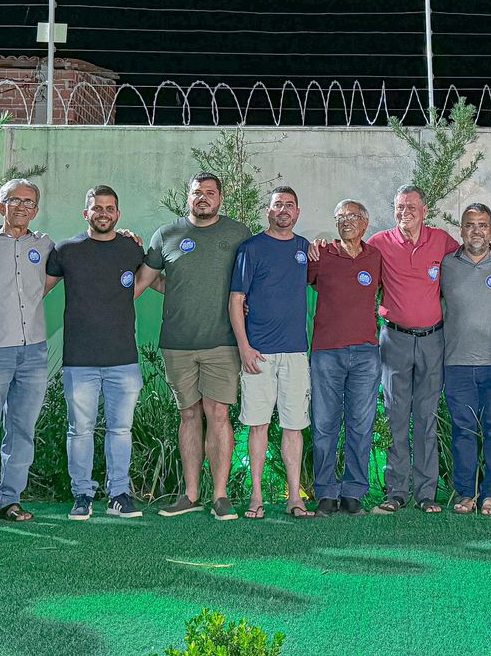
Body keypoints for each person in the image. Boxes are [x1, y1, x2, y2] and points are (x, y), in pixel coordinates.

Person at [46, 185, 157, 520]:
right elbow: (34, 292)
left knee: (120, 430)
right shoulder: (66, 250)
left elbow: (154, 280)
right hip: (79, 361)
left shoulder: (131, 248)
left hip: (123, 360)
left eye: (110, 208)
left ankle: (118, 494)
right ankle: (82, 495)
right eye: (97, 208)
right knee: (79, 431)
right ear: (86, 213)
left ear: (118, 214)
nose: (103, 213)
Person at [149, 173, 252, 521]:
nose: (203, 198)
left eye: (210, 192)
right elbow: (147, 278)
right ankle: (191, 494)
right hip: (177, 343)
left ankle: (219, 496)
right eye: (197, 192)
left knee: (218, 414)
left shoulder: (238, 233)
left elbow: (253, 276)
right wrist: (179, 289)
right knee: (189, 414)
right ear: (188, 196)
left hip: (222, 342)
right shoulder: (167, 234)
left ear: (220, 198)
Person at [366, 186, 460, 514]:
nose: (405, 212)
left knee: (426, 417)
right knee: (395, 416)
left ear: (425, 210)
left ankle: (426, 493)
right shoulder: (379, 243)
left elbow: (471, 259)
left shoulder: (442, 241)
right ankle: (396, 491)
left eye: (411, 207)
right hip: (395, 340)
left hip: (433, 340)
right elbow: (355, 262)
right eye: (400, 207)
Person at [0, 179, 56, 525]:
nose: (21, 207)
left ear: (36, 209)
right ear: (0, 206)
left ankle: (11, 499)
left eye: (29, 202)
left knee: (22, 430)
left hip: (33, 351)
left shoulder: (45, 245)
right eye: (14, 200)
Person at [229, 186, 315, 519]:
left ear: (297, 212)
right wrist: (244, 348)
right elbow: (236, 300)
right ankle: (256, 496)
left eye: (289, 205)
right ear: (268, 211)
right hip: (259, 354)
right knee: (258, 426)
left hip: (295, 353)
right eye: (277, 204)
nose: (283, 210)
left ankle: (294, 497)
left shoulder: (304, 248)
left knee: (294, 427)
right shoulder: (251, 248)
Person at [305, 199, 384, 516]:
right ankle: (326, 492)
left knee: (361, 425)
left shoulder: (375, 257)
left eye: (352, 216)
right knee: (324, 424)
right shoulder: (321, 254)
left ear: (365, 222)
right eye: (340, 217)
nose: (346, 221)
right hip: (327, 352)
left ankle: (353, 492)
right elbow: (292, 282)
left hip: (366, 354)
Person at [440, 203, 491, 516]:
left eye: (482, 225)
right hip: (457, 362)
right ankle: (466, 492)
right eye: (470, 225)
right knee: (463, 430)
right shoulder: (446, 264)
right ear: (461, 230)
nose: (476, 231)